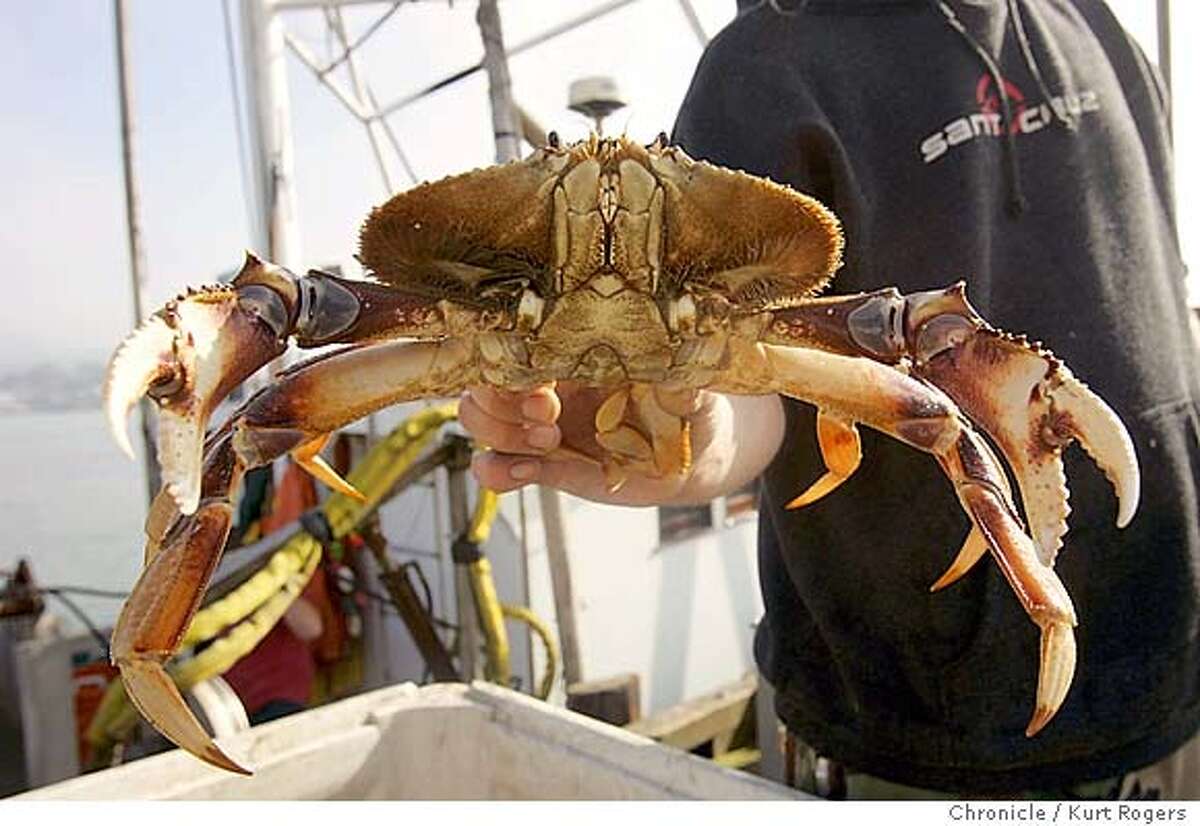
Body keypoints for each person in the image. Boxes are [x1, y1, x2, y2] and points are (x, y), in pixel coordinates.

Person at [463, 0, 1199, 798]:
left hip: (1177, 654)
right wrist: (697, 438)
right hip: (922, 732)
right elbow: (747, 374)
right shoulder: (767, 67)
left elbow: (1156, 296)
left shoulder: (1093, 22)